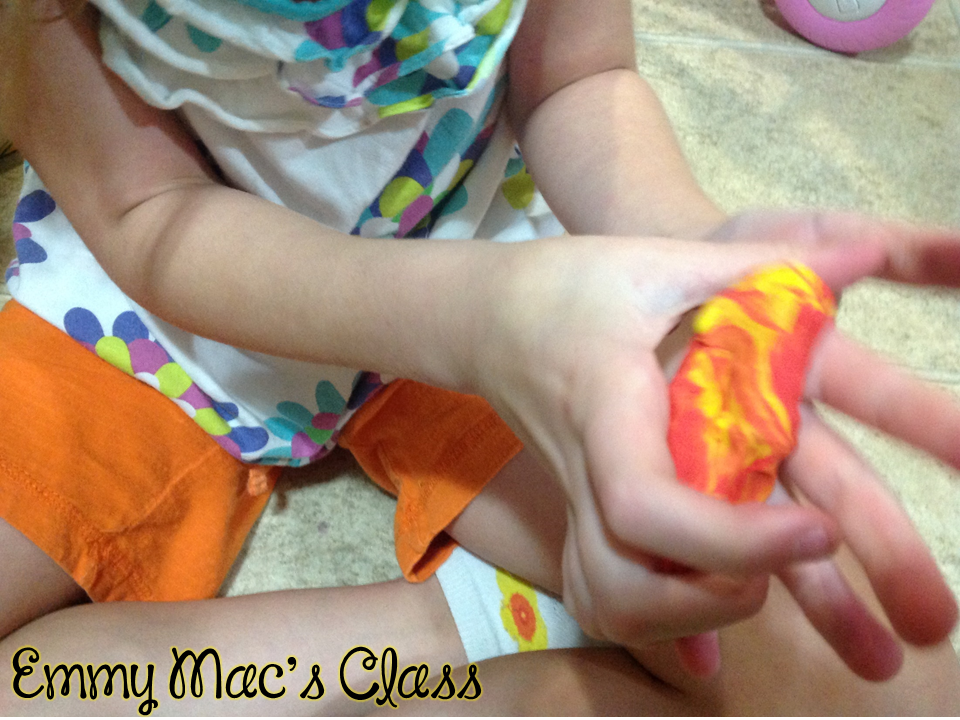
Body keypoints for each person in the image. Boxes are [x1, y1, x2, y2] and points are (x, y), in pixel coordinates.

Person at [0, 0, 959, 713]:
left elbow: (580, 79)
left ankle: (488, 627)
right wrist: (481, 319)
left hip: (493, 262)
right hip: (149, 314)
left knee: (891, 689)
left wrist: (689, 258)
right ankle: (467, 629)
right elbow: (148, 212)